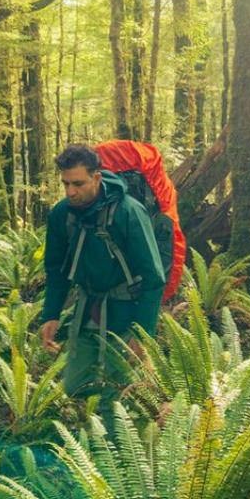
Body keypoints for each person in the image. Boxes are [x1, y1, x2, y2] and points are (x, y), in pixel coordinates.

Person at [39, 143, 166, 414]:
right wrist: (50, 314)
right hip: (87, 310)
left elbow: (154, 278)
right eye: (65, 184)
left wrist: (143, 333)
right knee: (73, 386)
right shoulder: (62, 214)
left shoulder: (129, 212)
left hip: (126, 312)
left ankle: (121, 445)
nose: (70, 191)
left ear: (97, 177)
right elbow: (56, 269)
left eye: (78, 183)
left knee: (118, 395)